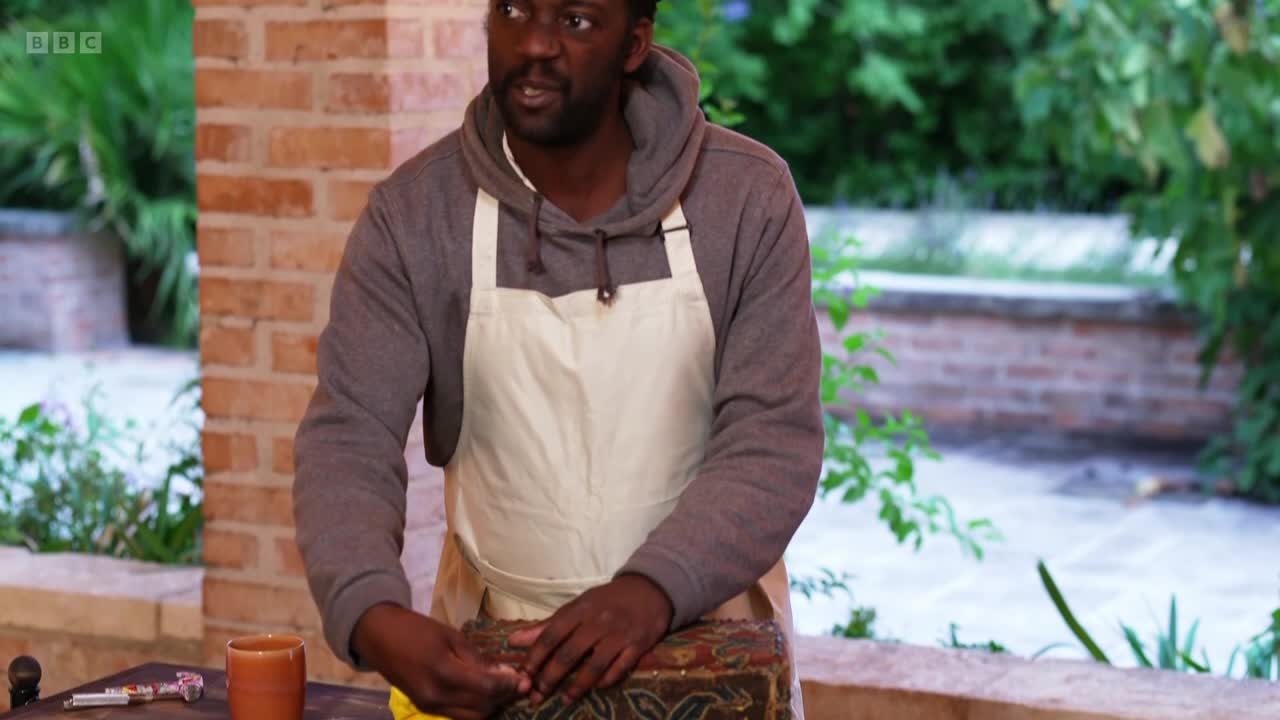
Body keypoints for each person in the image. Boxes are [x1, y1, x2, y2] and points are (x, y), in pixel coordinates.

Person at [291, 0, 824, 718]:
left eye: (575, 20)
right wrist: (371, 613)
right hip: (498, 663)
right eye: (514, 9)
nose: (535, 44)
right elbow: (349, 435)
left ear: (634, 44)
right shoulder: (416, 216)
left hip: (707, 656)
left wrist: (651, 590)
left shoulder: (744, 198)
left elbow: (773, 441)